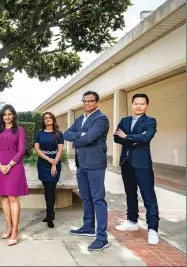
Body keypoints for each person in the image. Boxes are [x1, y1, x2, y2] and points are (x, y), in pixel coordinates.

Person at [64, 91, 109, 251]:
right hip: (81, 165)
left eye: (90, 101)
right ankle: (88, 226)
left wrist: (77, 141)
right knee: (86, 198)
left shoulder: (101, 119)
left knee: (98, 199)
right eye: (84, 101)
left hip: (95, 164)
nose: (87, 104)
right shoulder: (79, 119)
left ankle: (102, 237)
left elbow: (89, 138)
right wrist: (80, 134)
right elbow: (66, 134)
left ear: (97, 103)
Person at [113, 93, 159, 245]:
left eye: (142, 104)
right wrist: (134, 137)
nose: (138, 106)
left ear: (147, 105)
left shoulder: (150, 121)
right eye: (136, 103)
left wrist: (127, 136)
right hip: (126, 163)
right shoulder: (124, 120)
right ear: (132, 104)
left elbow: (147, 138)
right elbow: (116, 137)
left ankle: (153, 229)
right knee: (130, 194)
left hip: (142, 165)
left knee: (148, 197)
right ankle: (132, 221)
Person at [0, 104, 29, 246]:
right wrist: (0, 165)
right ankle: (9, 227)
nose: (7, 117)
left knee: (13, 197)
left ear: (13, 116)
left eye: (10, 114)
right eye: (5, 114)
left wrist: (9, 164)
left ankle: (15, 231)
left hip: (14, 166)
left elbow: (21, 150)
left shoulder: (20, 130)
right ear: (2, 116)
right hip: (0, 166)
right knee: (4, 197)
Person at [34, 112, 64, 229]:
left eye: (49, 117)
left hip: (55, 164)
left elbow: (60, 150)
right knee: (47, 189)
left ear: (53, 119)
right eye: (45, 118)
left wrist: (54, 163)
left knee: (51, 189)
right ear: (43, 121)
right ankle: (50, 212)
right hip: (42, 164)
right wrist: (48, 159)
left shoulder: (59, 134)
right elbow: (37, 148)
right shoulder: (39, 133)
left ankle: (49, 216)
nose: (47, 119)